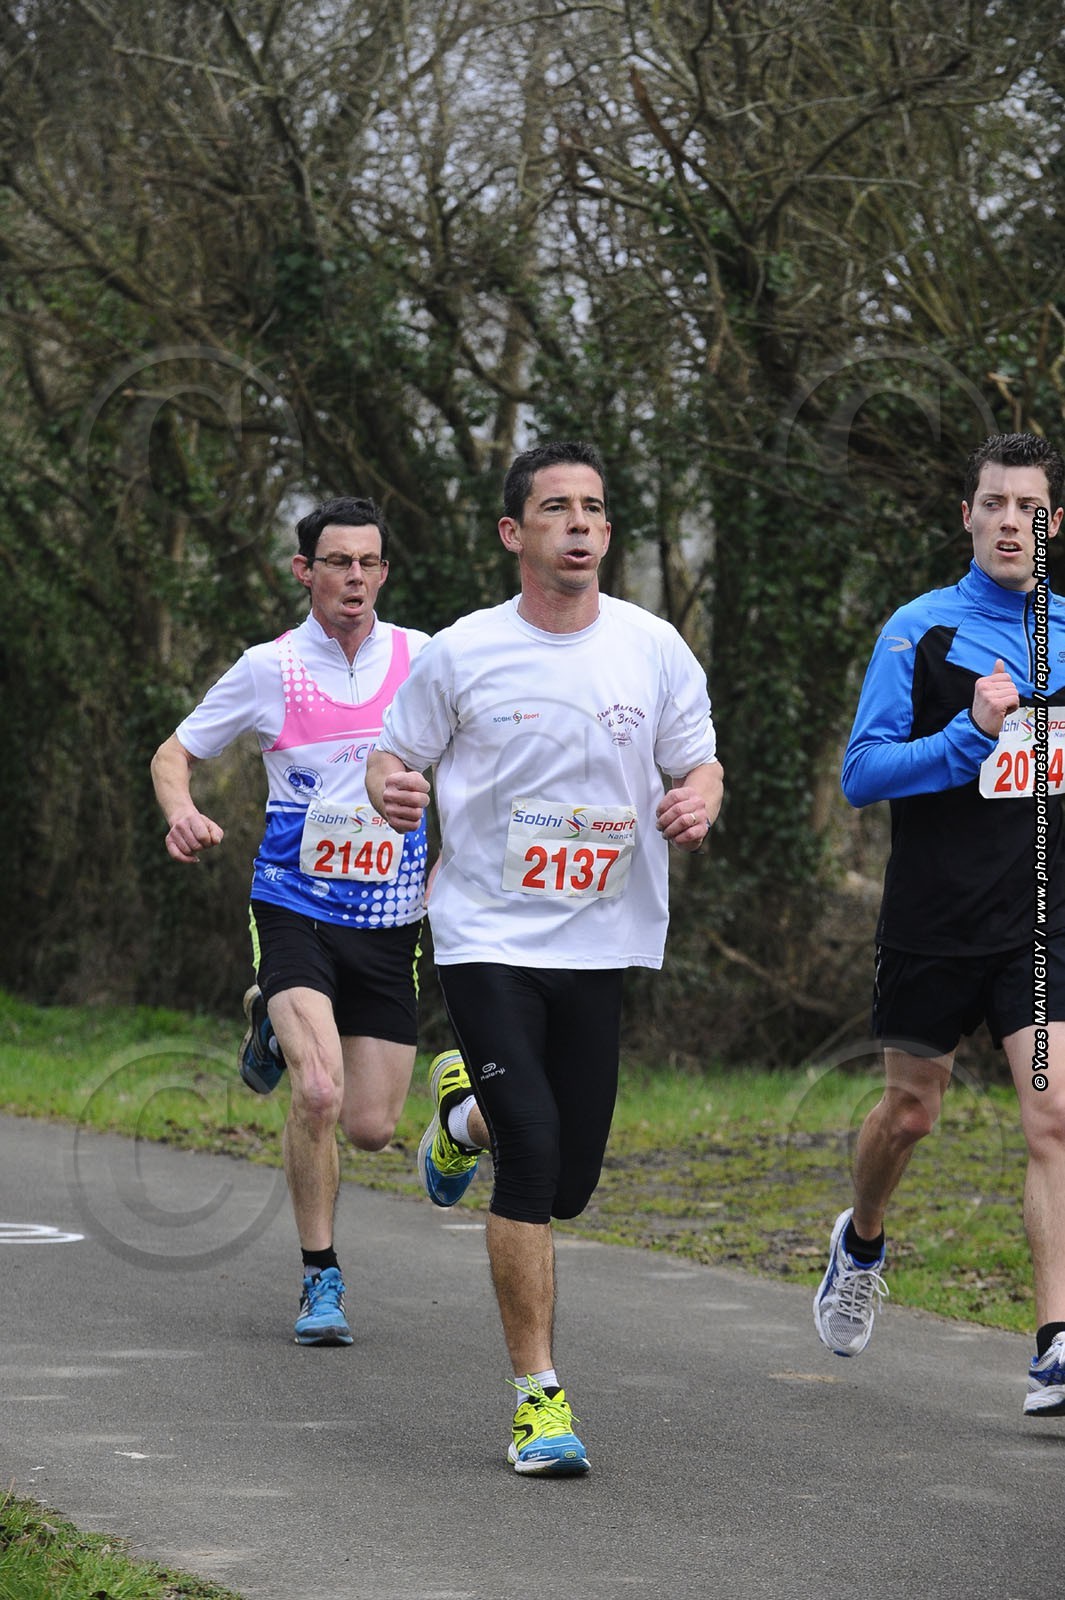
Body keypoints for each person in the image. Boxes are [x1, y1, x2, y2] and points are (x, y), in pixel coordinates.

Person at [366, 440, 723, 1475]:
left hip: (599, 939)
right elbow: (393, 753)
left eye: (593, 509)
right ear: (512, 531)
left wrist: (698, 800)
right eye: (556, 507)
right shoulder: (463, 652)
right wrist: (391, 786)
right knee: (532, 1151)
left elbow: (699, 761)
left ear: (607, 531)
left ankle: (459, 1116)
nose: (579, 523)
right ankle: (539, 1401)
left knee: (568, 1181)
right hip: (485, 932)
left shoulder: (652, 647)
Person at [814, 431, 1065, 1415]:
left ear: (1053, 524)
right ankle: (861, 1239)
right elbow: (861, 772)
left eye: (1029, 508)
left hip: (1038, 925)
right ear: (966, 516)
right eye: (994, 504)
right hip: (932, 920)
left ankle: (1054, 1343)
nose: (1010, 522)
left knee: (1053, 1116)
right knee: (911, 1114)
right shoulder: (917, 631)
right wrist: (969, 732)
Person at [151, 496, 436, 1347]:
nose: (355, 577)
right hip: (293, 905)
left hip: (389, 917)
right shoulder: (269, 668)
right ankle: (320, 1277)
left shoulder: (424, 659)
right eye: (337, 562)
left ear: (384, 572)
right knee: (317, 1092)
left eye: (369, 563)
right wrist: (181, 812)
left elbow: (482, 756)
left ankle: (268, 1026)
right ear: (303, 571)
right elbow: (174, 753)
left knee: (372, 1128)